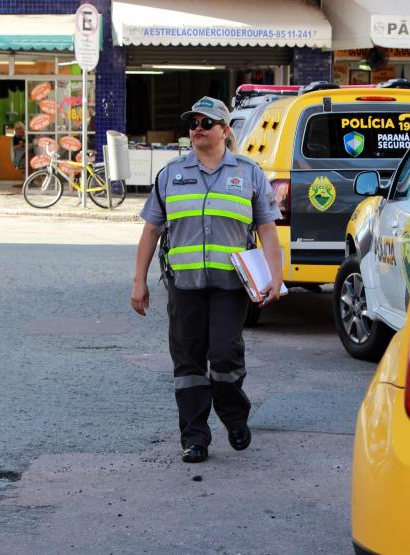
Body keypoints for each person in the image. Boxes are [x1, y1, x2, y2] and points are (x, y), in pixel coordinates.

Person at [131, 97, 284, 464]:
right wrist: (139, 281)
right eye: (193, 122)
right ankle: (195, 437)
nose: (197, 128)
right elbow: (151, 230)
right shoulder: (171, 174)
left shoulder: (248, 173)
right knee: (188, 364)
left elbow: (266, 228)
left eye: (207, 122)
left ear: (225, 131)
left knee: (225, 356)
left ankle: (234, 417)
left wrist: (275, 278)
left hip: (231, 287)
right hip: (184, 288)